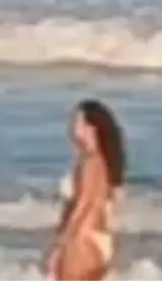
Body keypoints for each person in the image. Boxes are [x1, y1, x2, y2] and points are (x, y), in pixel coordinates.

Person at [48, 99, 127, 281]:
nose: (71, 126)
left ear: (90, 128)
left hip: (83, 239)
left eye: (76, 121)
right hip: (98, 240)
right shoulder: (103, 162)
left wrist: (62, 244)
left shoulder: (90, 162)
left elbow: (85, 205)